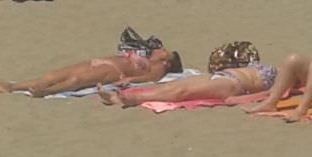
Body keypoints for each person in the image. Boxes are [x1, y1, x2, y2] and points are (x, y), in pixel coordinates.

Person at [0, 47, 181, 97]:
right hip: (100, 62)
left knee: (76, 79)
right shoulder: (147, 57)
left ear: (167, 61)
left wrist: (129, 79)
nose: (160, 49)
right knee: (53, 75)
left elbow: (150, 78)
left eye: (165, 51)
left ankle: (46, 92)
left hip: (112, 70)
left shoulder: (159, 67)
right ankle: (12, 86)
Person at [99, 58, 278, 106]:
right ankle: (120, 97)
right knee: (175, 86)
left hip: (233, 84)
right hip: (224, 75)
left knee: (181, 93)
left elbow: (270, 94)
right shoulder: (286, 71)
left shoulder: (286, 81)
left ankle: (130, 99)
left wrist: (245, 98)